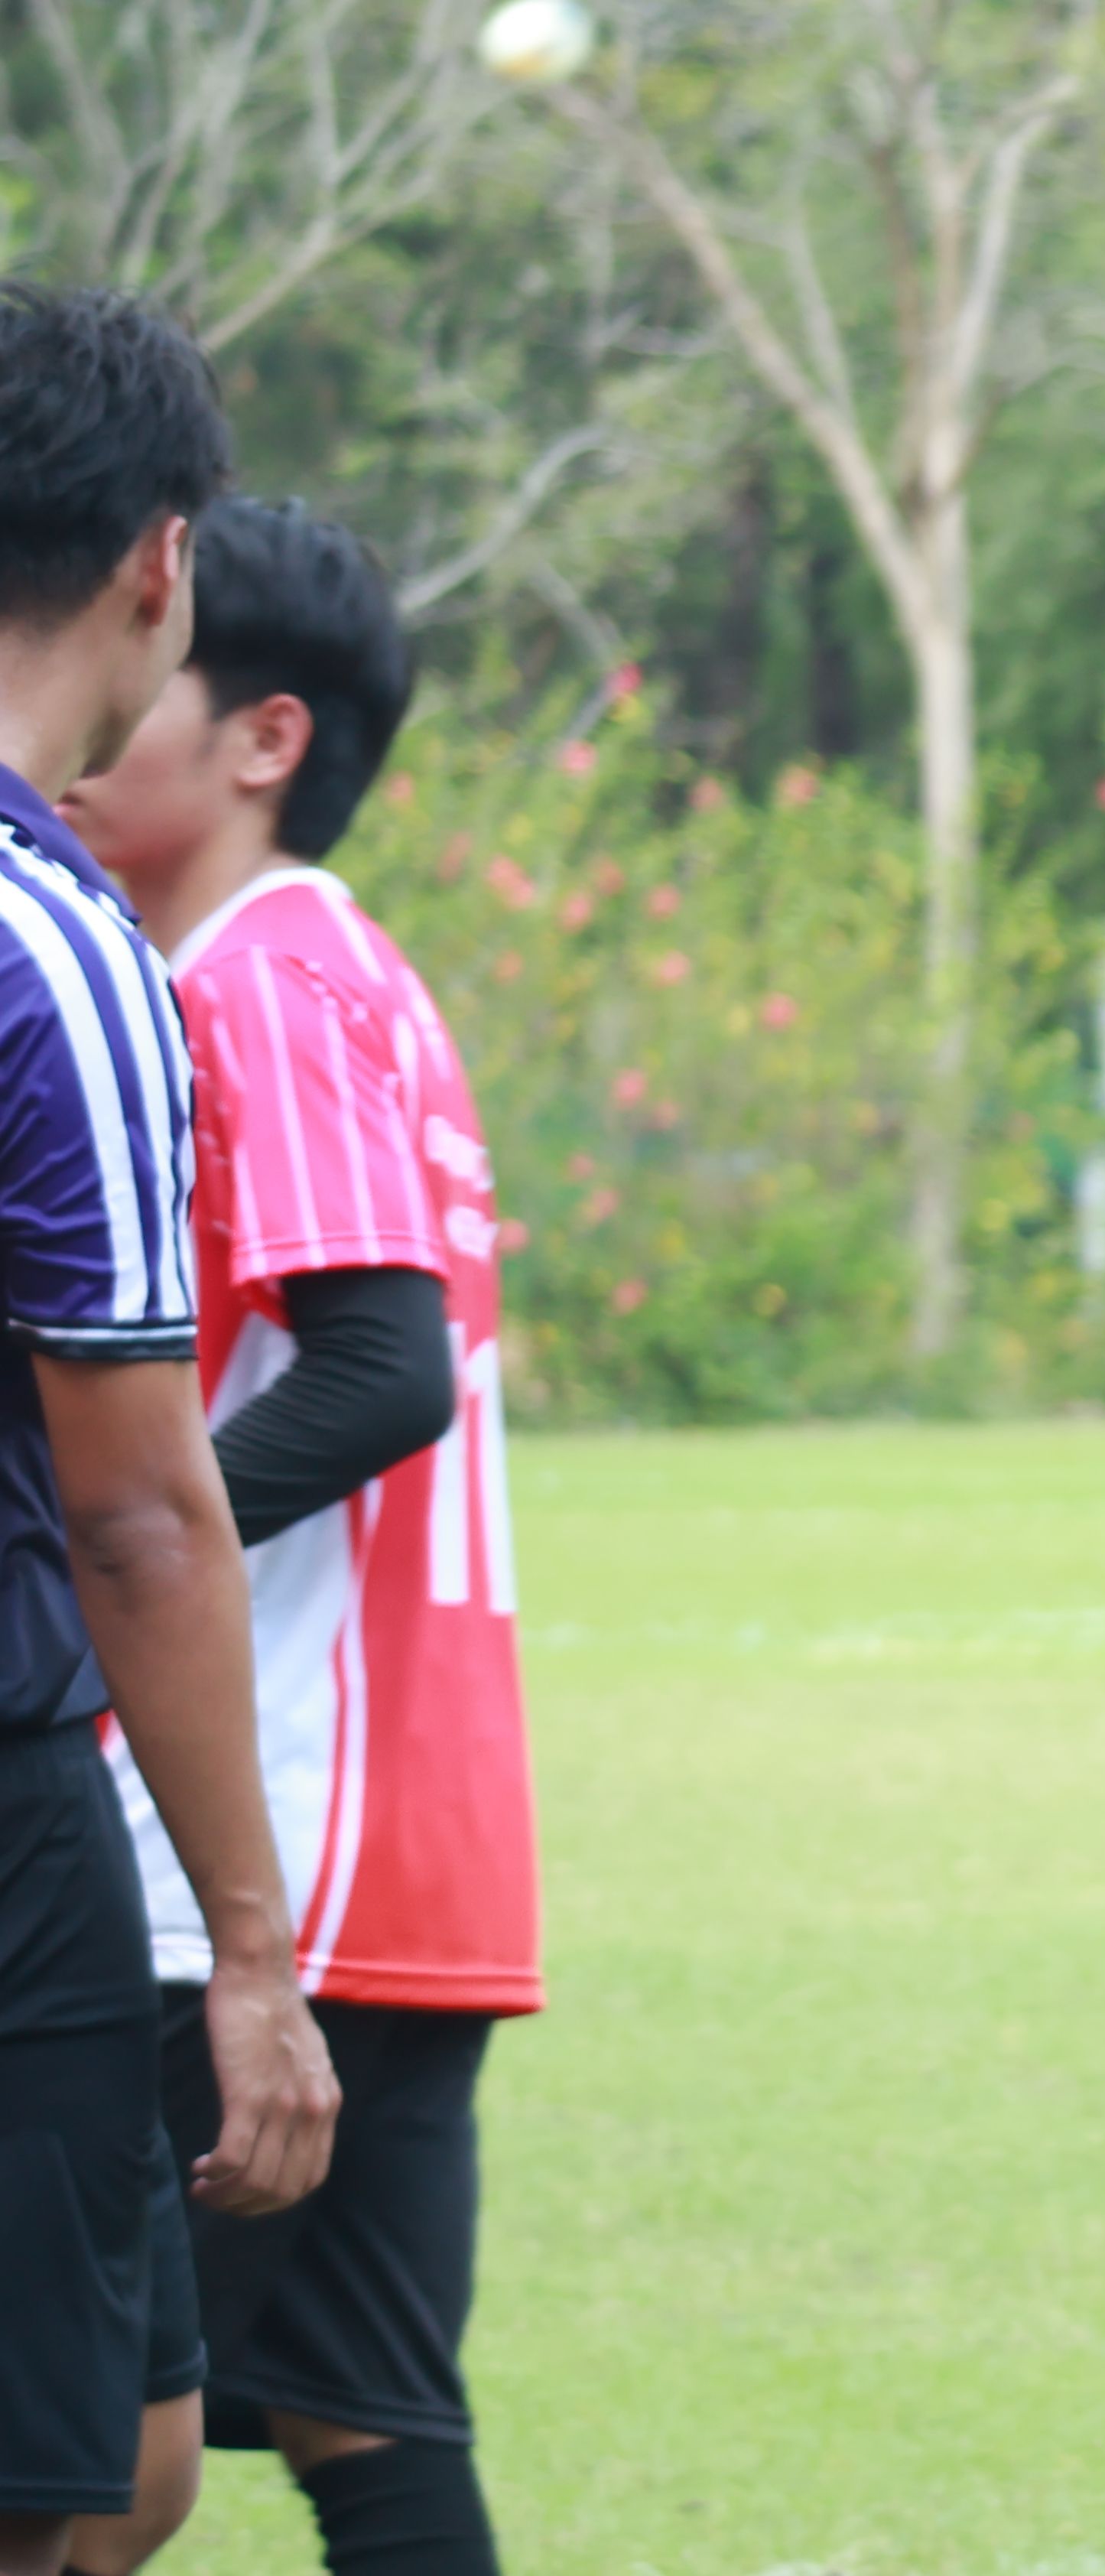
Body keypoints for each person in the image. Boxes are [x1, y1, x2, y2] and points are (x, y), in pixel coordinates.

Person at [54, 496, 531, 2576]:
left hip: (262, 1841)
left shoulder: (265, 977)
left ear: (264, 737)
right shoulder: (328, 973)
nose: (73, 722)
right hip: (390, 1835)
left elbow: (380, 1369)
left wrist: (102, 1547)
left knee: (86, 2449)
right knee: (362, 2422)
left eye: (123, 672)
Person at [0, 285, 339, 2576]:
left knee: (135, 2453)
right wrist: (249, 1950)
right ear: (161, 562)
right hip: (12, 1821)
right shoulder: (55, 946)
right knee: (61, 2498)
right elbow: (139, 1512)